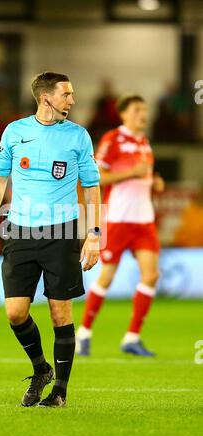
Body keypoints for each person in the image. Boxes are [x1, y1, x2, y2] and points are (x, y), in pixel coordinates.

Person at [0, 72, 101, 407]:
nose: (72, 101)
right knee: (15, 313)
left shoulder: (78, 137)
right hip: (19, 231)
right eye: (67, 94)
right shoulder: (15, 132)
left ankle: (60, 392)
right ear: (46, 97)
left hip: (62, 232)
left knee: (60, 314)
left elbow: (92, 187)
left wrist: (94, 235)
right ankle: (41, 369)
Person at [76, 94, 165, 357]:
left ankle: (132, 337)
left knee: (151, 275)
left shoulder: (144, 143)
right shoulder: (113, 139)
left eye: (145, 109)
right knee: (107, 277)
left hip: (144, 220)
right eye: (137, 109)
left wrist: (155, 181)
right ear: (124, 114)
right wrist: (131, 173)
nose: (143, 114)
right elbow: (98, 176)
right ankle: (83, 333)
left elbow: (142, 176)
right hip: (118, 219)